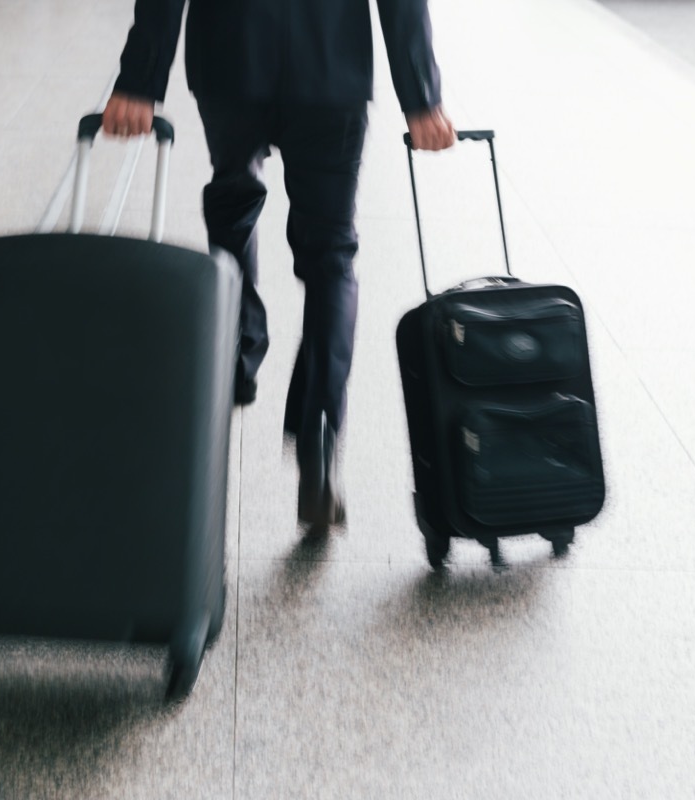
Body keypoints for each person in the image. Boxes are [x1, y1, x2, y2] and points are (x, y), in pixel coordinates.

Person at [103, 0, 454, 530]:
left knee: (234, 205)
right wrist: (421, 97)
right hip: (331, 68)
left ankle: (237, 355)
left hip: (232, 59)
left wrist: (139, 81)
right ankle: (319, 426)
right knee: (331, 254)